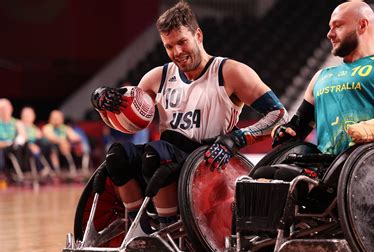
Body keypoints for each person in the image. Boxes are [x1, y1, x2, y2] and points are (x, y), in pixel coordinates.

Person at [90, 1, 288, 237]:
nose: (177, 52)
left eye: (182, 42)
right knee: (117, 155)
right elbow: (129, 124)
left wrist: (236, 139)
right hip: (167, 155)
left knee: (156, 153)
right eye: (169, 46)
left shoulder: (230, 72)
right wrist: (105, 103)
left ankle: (168, 231)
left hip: (208, 158)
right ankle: (138, 227)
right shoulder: (157, 77)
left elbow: (279, 116)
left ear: (198, 35)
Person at [273, 1, 374, 156]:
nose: (330, 33)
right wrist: (286, 131)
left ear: (362, 25)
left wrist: (370, 129)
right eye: (330, 27)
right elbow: (298, 128)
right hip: (327, 169)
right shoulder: (320, 76)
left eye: (338, 26)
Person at [42, 110, 83, 175]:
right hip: (49, 150)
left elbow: (76, 137)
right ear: (50, 119)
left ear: (62, 119)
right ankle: (56, 170)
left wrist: (70, 142)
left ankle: (73, 169)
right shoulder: (47, 127)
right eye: (54, 118)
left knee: (76, 146)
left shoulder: (65, 128)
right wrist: (62, 142)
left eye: (58, 118)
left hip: (64, 148)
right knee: (53, 147)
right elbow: (51, 137)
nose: (56, 120)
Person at [0, 99, 27, 179]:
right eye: (2, 109)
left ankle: (20, 172)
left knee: (23, 146)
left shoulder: (17, 123)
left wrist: (15, 142)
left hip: (14, 147)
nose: (4, 111)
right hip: (2, 148)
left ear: (11, 109)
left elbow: (23, 136)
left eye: (6, 108)